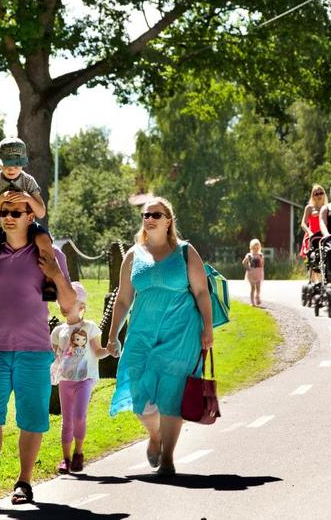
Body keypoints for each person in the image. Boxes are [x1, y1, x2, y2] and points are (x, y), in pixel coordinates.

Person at [0, 202, 76, 506]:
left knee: (32, 421)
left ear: (30, 216)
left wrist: (56, 275)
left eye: (15, 213)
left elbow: (69, 305)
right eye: (4, 212)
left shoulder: (49, 254)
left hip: (34, 352)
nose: (7, 218)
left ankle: (24, 483)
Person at [107, 198, 214, 478]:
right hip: (141, 334)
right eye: (146, 215)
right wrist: (113, 334)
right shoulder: (133, 255)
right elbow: (123, 299)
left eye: (156, 214)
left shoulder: (185, 253)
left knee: (171, 395)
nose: (149, 219)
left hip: (180, 333)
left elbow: (202, 292)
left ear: (168, 220)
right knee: (140, 398)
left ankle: (167, 459)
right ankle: (155, 435)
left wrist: (208, 328)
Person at [0, 137, 57, 317]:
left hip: (27, 224)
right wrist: (0, 199)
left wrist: (27, 198)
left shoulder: (28, 182)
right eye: (7, 165)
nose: (11, 169)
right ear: (0, 163)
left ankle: (49, 282)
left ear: (23, 164)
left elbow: (40, 212)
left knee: (44, 239)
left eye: (16, 165)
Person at [50, 281, 110, 474]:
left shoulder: (90, 327)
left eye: (69, 304)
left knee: (79, 416)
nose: (64, 307)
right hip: (66, 381)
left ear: (81, 307)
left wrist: (109, 350)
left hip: (84, 380)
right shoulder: (58, 331)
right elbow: (57, 355)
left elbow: (98, 351)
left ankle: (78, 453)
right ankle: (65, 459)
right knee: (67, 419)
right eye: (62, 303)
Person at [300, 185, 326, 283]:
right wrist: (309, 233)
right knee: (312, 262)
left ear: (324, 194)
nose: (319, 195)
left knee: (323, 261)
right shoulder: (310, 208)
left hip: (323, 237)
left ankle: (321, 284)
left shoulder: (327, 207)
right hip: (312, 237)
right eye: (316, 193)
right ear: (313, 195)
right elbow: (303, 223)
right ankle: (312, 284)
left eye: (321, 193)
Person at [242, 238, 265, 307]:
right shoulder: (249, 255)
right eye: (254, 248)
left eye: (257, 248)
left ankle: (257, 296)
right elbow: (244, 262)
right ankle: (252, 302)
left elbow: (262, 264)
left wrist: (261, 271)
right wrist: (247, 267)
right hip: (251, 274)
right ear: (251, 247)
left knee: (258, 287)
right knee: (253, 288)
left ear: (259, 247)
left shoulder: (260, 255)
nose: (256, 249)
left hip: (258, 273)